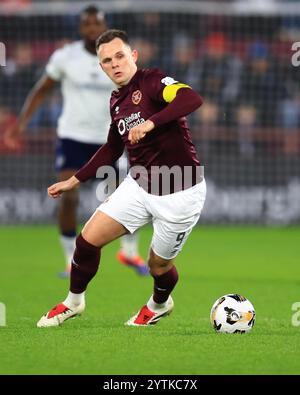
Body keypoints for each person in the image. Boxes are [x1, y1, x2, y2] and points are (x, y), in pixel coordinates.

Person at [37, 29, 206, 328]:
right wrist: (74, 180)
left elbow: (191, 98)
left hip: (179, 190)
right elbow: (113, 147)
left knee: (159, 265)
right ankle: (73, 302)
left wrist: (152, 122)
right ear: (101, 67)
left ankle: (158, 304)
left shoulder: (153, 81)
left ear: (133, 56)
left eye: (120, 56)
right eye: (107, 60)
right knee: (87, 240)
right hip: (139, 185)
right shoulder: (116, 101)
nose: (115, 64)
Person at [4, 6, 148, 277]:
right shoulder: (65, 57)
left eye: (97, 23)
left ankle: (130, 252)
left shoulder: (117, 58)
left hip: (110, 138)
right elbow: (42, 89)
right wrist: (20, 124)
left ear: (105, 25)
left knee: (131, 196)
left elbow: (137, 93)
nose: (92, 28)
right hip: (73, 137)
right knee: (68, 197)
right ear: (80, 27)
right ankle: (71, 261)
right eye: (87, 24)